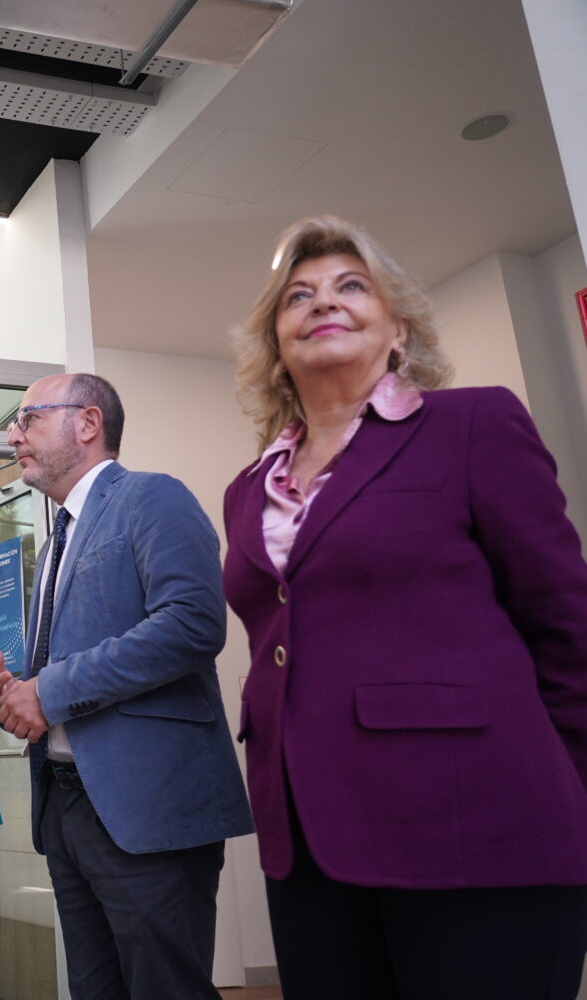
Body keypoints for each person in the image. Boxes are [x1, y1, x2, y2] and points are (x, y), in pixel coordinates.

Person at [222, 215, 587, 999]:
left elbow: (566, 624)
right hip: (305, 843)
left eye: (352, 286)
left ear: (399, 330)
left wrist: (574, 791)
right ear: (275, 345)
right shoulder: (247, 488)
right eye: (298, 296)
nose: (325, 301)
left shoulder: (474, 424)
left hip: (477, 826)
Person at [0, 372, 253, 1000]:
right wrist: (17, 698)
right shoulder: (56, 537)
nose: (13, 436)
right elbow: (67, 663)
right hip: (66, 807)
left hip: (146, 805)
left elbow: (192, 623)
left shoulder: (151, 497)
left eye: (28, 418)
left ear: (88, 423)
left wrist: (48, 691)